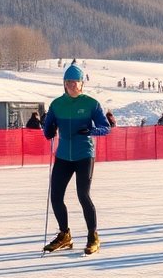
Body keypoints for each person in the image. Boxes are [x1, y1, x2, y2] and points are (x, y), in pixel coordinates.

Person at [41, 64, 112, 255]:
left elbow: (105, 127)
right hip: (63, 155)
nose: (72, 85)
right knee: (55, 196)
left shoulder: (91, 103)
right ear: (64, 84)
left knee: (83, 195)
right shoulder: (56, 104)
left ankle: (92, 236)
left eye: (75, 82)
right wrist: (48, 129)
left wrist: (92, 130)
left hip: (84, 155)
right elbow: (48, 131)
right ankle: (64, 235)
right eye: (68, 82)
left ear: (82, 84)